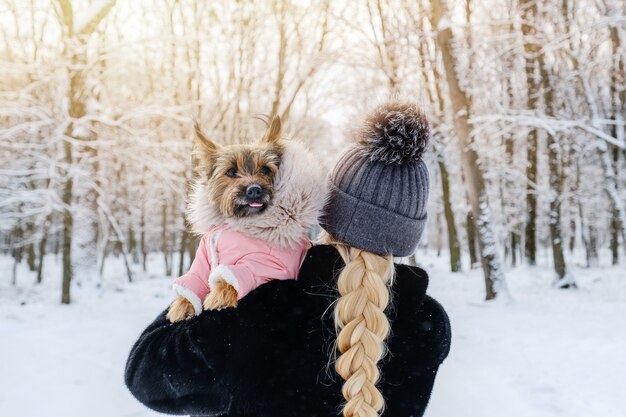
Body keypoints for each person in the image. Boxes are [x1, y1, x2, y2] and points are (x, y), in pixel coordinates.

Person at [125, 101, 451, 417]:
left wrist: (214, 267)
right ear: (409, 232)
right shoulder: (429, 324)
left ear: (325, 208)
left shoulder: (268, 304)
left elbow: (144, 375)